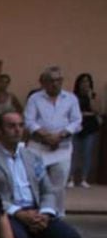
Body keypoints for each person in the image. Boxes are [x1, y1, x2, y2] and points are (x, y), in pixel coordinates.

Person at [24, 66, 82, 213]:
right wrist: (46, 136)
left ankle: (57, 216)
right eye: (51, 80)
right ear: (43, 82)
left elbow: (76, 121)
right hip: (38, 147)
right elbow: (29, 121)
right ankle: (36, 213)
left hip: (61, 149)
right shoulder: (34, 98)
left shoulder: (71, 98)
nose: (55, 84)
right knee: (35, 183)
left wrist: (61, 135)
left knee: (58, 185)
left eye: (58, 80)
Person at [70, 73, 101, 188]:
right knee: (74, 153)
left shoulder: (93, 96)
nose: (85, 83)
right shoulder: (73, 96)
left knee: (87, 153)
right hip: (76, 126)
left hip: (90, 127)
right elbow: (74, 111)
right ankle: (71, 178)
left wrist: (89, 97)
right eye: (83, 81)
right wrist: (86, 114)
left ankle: (84, 178)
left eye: (87, 81)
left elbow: (96, 110)